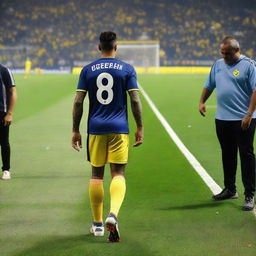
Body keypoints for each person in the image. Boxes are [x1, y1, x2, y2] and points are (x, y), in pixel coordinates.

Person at [72, 31, 143, 242]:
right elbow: (135, 100)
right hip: (119, 128)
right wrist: (140, 126)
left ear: (98, 47)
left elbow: (78, 101)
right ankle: (113, 214)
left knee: (96, 175)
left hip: (95, 128)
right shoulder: (127, 69)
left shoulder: (87, 70)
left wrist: (75, 129)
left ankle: (97, 225)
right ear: (116, 46)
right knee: (118, 174)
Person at [199, 36, 256, 211]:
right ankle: (230, 189)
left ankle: (250, 194)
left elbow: (255, 91)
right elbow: (209, 85)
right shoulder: (218, 64)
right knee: (227, 154)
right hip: (222, 119)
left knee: (246, 155)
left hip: (243, 120)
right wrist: (201, 101)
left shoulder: (249, 66)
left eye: (227, 53)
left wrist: (248, 114)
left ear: (236, 50)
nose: (224, 56)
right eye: (222, 53)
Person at [0, 64, 17, 180]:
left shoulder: (4, 70)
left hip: (1, 112)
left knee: (3, 142)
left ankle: (6, 170)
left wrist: (10, 113)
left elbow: (13, 92)